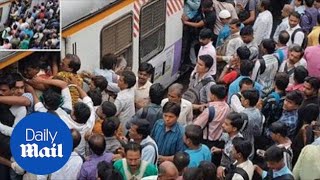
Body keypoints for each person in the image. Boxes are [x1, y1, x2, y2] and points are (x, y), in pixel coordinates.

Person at [193, 84, 230, 159]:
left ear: (214, 96)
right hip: (219, 140)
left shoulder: (209, 111)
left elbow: (196, 125)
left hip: (207, 141)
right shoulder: (227, 107)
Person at [211, 112, 246, 177]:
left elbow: (236, 162)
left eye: (226, 124)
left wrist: (222, 168)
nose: (223, 125)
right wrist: (221, 150)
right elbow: (228, 151)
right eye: (224, 122)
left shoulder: (237, 145)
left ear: (234, 128)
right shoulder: (228, 136)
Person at [114, 70, 136, 135]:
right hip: (130, 123)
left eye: (120, 80)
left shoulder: (121, 98)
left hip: (122, 127)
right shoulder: (131, 90)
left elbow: (113, 112)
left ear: (126, 85)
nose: (118, 80)